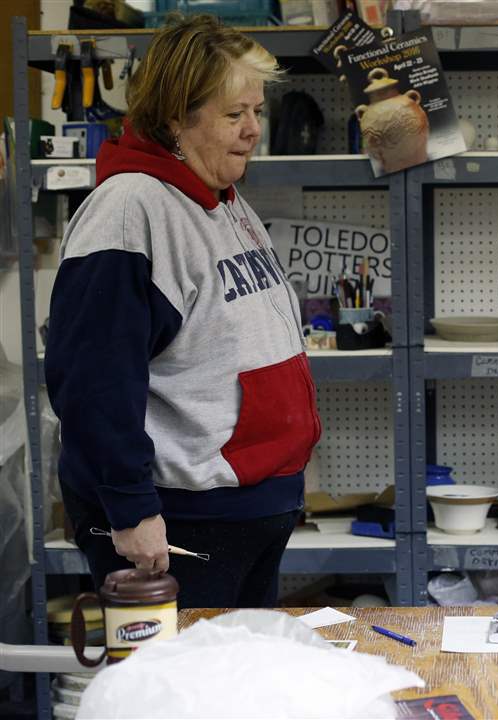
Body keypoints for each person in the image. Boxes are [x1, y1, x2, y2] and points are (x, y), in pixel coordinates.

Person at [45, 15, 321, 608]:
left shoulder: (220, 197)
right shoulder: (130, 210)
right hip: (182, 523)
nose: (252, 131)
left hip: (245, 510)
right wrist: (131, 509)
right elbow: (93, 383)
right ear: (175, 117)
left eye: (256, 112)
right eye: (233, 115)